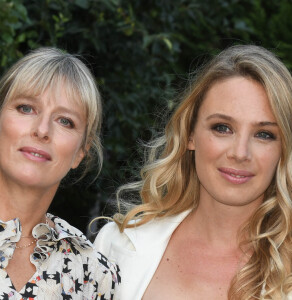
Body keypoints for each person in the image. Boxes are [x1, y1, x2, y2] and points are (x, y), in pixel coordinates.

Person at [94, 45, 292, 299]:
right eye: (222, 128)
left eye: (264, 134)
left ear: (283, 149)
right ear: (190, 134)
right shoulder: (116, 246)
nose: (240, 152)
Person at [0, 48, 120, 299]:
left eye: (65, 121)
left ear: (80, 153)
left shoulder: (93, 274)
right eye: (26, 108)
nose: (42, 130)